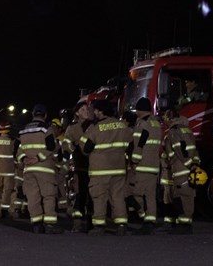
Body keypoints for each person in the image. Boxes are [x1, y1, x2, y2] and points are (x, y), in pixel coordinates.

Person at [81, 99, 133, 236]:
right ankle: (121, 224)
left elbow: (86, 149)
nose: (95, 113)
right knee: (118, 196)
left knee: (99, 197)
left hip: (100, 171)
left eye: (96, 110)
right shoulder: (122, 125)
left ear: (100, 111)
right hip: (119, 168)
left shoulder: (96, 128)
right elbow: (131, 144)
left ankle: (99, 225)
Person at [17, 104, 63, 234]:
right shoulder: (46, 128)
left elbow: (18, 149)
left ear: (33, 114)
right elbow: (50, 147)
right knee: (48, 196)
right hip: (44, 169)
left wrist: (23, 159)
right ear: (45, 115)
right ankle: (50, 225)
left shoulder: (23, 130)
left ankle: (36, 224)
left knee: (32, 197)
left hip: (28, 169)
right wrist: (38, 158)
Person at [126, 97, 162, 235]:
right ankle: (150, 220)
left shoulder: (143, 124)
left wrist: (134, 160)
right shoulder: (155, 123)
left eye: (137, 110)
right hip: (153, 165)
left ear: (140, 110)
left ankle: (146, 220)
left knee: (136, 193)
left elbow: (140, 144)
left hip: (143, 165)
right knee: (150, 195)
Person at [163, 107, 200, 234]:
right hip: (189, 168)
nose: (164, 121)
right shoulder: (187, 129)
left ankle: (184, 224)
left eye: (165, 118)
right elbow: (194, 149)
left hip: (180, 168)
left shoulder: (174, 131)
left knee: (181, 196)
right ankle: (185, 223)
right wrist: (194, 164)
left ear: (169, 118)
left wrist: (188, 164)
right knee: (188, 196)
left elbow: (180, 149)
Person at [62, 101, 93, 232]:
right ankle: (78, 223)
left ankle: (92, 223)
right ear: (77, 113)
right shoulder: (72, 128)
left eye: (87, 109)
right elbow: (66, 145)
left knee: (94, 195)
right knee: (80, 195)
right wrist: (73, 148)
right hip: (80, 166)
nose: (86, 112)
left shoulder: (94, 125)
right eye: (83, 110)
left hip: (95, 166)